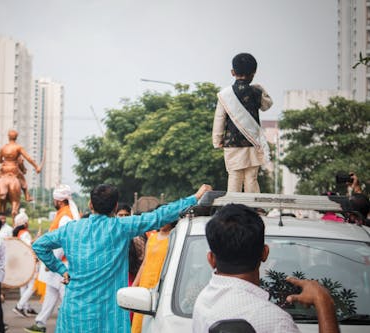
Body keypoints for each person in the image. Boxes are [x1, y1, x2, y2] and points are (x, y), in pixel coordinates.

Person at [32, 183, 212, 333]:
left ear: (90, 204)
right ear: (116, 206)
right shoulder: (120, 227)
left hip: (74, 314)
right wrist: (194, 197)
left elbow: (39, 245)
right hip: (109, 317)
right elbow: (158, 217)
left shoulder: (70, 229)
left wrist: (62, 270)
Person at [192, 203, 339, 333]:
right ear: (265, 253)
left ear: (211, 259)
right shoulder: (276, 322)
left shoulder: (203, 301)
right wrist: (324, 302)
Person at [212, 53, 273, 193]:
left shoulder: (225, 94)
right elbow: (267, 105)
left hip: (232, 144)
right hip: (253, 142)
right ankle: (254, 208)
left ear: (233, 72)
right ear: (254, 73)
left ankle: (233, 208)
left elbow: (219, 119)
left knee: (234, 176)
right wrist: (261, 89)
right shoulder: (256, 92)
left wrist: (217, 141)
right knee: (251, 178)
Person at [26, 184, 81, 333]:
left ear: (60, 201)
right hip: (59, 263)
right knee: (51, 294)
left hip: (62, 264)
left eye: (54, 200)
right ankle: (40, 323)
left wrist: (52, 262)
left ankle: (76, 326)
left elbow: (62, 243)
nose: (53, 202)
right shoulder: (63, 214)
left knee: (66, 298)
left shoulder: (65, 216)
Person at [131, 220, 177, 333]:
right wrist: (134, 285)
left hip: (161, 284)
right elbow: (144, 263)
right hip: (145, 284)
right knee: (139, 320)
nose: (162, 222)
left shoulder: (174, 238)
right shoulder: (152, 238)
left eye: (166, 220)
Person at [0, 130, 42, 202]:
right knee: (22, 179)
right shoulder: (18, 147)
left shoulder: (3, 148)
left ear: (8, 137)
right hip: (14, 169)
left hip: (4, 169)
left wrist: (5, 161)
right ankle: (27, 195)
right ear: (16, 137)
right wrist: (36, 166)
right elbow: (28, 158)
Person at [12, 208, 38, 317]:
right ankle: (20, 306)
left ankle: (25, 307)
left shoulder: (17, 233)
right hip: (28, 261)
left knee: (24, 286)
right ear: (25, 223)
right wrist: (37, 239)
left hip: (21, 261)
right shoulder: (25, 233)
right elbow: (29, 246)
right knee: (32, 286)